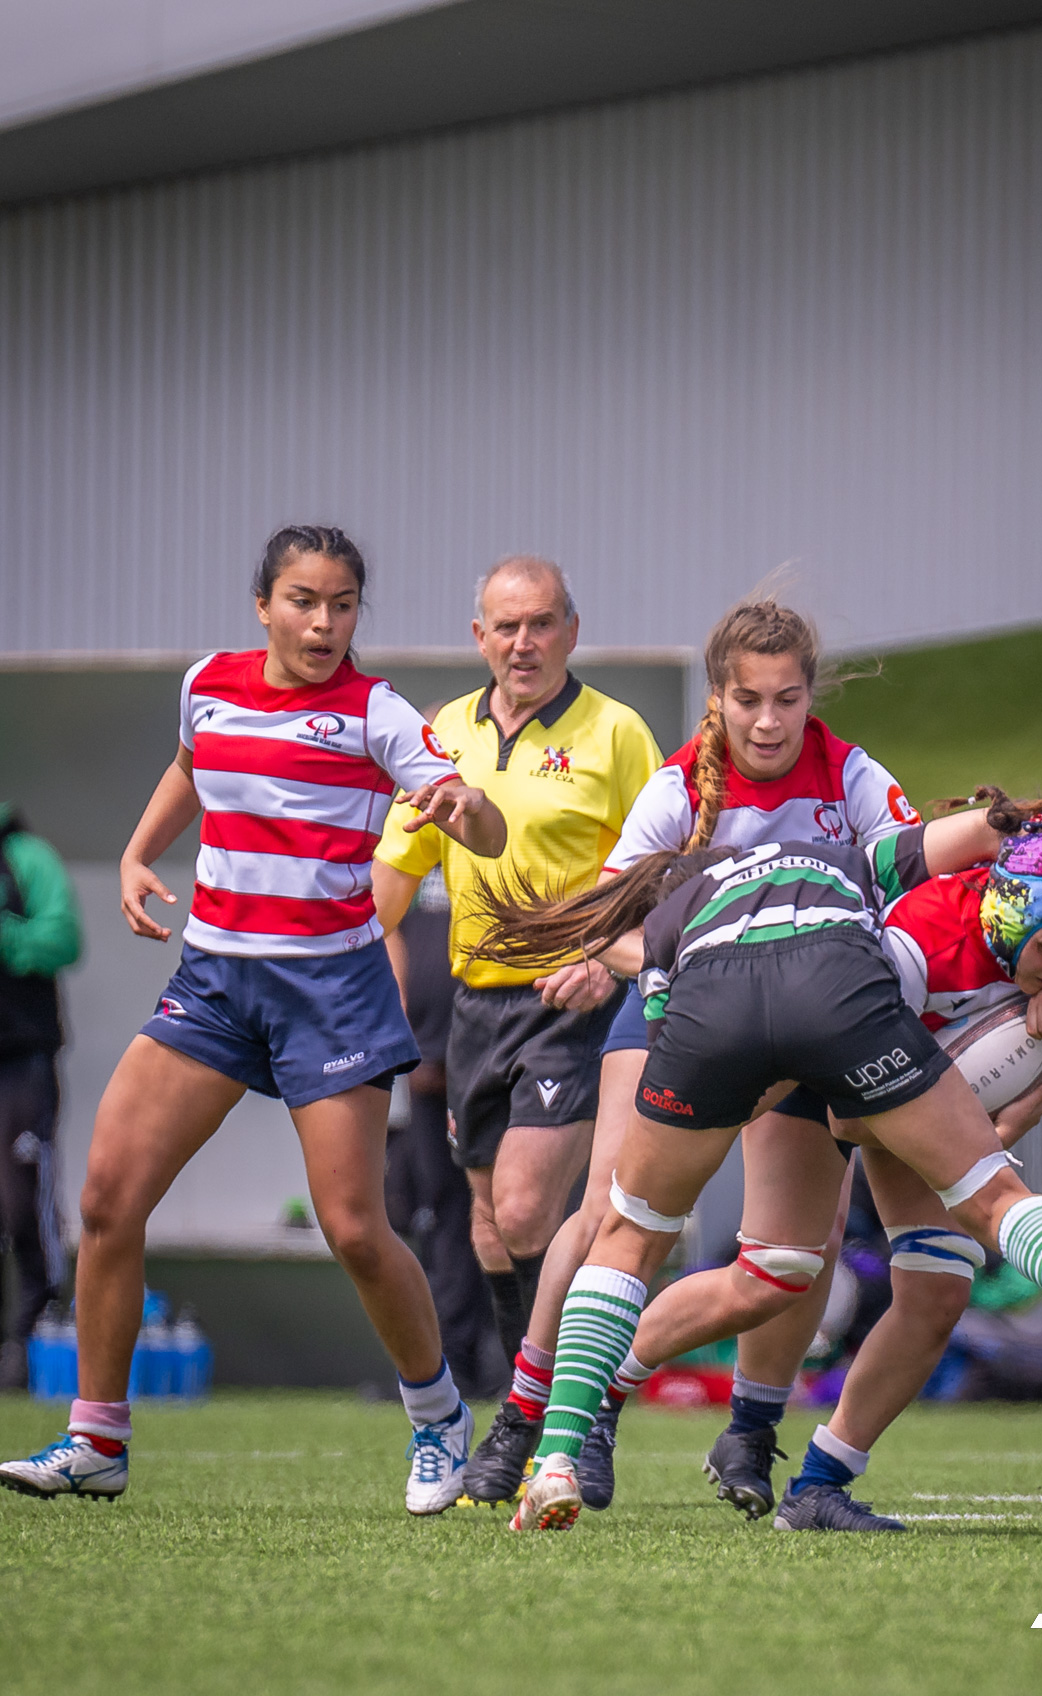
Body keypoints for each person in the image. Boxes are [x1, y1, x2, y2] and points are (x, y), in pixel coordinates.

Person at [483, 824, 1042, 1532]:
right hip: (844, 1048)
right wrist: (980, 1119)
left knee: (929, 1285)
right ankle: (612, 1385)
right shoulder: (912, 931)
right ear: (1007, 919)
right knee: (797, 1261)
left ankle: (803, 1481)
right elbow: (853, 1116)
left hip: (830, 1034)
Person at [462, 593, 1010, 1506]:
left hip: (807, 1016)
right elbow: (609, 929)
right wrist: (671, 974)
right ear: (717, 697)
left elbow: (911, 884)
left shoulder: (853, 777)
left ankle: (750, 1433)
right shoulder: (680, 787)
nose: (767, 720)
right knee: (607, 1211)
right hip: (683, 1009)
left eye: (786, 699)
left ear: (809, 696)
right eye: (748, 699)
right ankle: (535, 1414)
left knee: (805, 1247)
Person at [0, 525, 506, 1512]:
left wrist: (463, 810)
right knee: (108, 1199)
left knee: (356, 1228)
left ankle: (439, 1415)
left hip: (334, 988)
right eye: (304, 601)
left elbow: (476, 819)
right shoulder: (210, 683)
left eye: (343, 605)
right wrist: (144, 853)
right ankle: (96, 1439)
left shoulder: (378, 715)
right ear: (264, 605)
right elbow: (193, 765)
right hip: (218, 982)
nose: (324, 623)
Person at [372, 555, 661, 1485]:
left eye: (541, 623)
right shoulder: (443, 732)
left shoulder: (616, 734)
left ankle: (573, 1419)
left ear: (571, 630)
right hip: (474, 1006)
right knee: (491, 1227)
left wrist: (601, 958)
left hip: (576, 1001)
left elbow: (666, 872)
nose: (523, 642)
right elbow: (391, 878)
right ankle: (545, 1422)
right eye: (506, 626)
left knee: (535, 1207)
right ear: (479, 637)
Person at [384, 856, 503, 1399]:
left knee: (502, 1211)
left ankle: (502, 1361)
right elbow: (386, 924)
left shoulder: (503, 817)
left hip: (497, 1050)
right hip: (427, 1056)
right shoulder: (410, 826)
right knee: (439, 1209)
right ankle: (448, 1361)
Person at [0, 805, 83, 1391]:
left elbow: (62, 938)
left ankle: (35, 1336)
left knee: (24, 1199)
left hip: (22, 1058)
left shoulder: (27, 856)